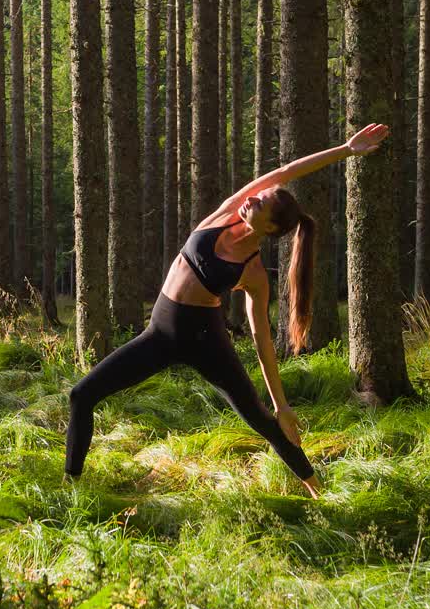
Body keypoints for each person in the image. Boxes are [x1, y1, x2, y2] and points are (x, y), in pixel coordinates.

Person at [64, 123, 392, 498]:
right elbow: (287, 171)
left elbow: (261, 337)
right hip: (158, 336)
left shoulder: (252, 272)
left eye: (261, 204)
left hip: (206, 343)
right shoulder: (227, 213)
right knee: (82, 394)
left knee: (263, 421)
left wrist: (282, 405)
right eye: (261, 195)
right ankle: (70, 487)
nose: (253, 198)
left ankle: (318, 489)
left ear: (268, 229)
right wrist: (347, 150)